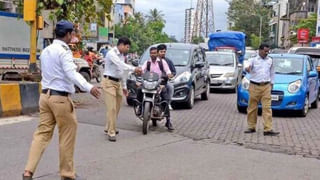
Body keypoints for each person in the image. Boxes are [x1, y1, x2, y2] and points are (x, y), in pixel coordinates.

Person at [22, 20, 101, 180]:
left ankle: (28, 171)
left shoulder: (46, 51)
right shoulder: (64, 51)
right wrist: (89, 87)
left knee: (42, 134)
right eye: (72, 33)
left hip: (45, 96)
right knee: (66, 135)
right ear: (67, 34)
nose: (73, 36)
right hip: (60, 99)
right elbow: (71, 74)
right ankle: (67, 174)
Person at [102, 37, 142, 142]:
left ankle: (109, 126)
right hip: (108, 82)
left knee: (117, 107)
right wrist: (134, 69)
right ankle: (111, 132)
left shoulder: (122, 56)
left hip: (118, 83)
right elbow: (120, 65)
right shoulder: (111, 54)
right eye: (127, 47)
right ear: (121, 45)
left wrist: (124, 87)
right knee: (112, 108)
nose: (128, 49)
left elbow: (122, 72)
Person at [244, 44, 279, 136]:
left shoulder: (270, 60)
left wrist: (272, 83)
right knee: (252, 107)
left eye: (268, 51)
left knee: (267, 108)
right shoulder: (253, 60)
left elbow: (272, 73)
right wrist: (247, 68)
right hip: (254, 85)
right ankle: (251, 127)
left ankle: (268, 129)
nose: (266, 53)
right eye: (265, 51)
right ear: (260, 50)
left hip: (266, 86)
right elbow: (247, 65)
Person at [136, 47, 174, 131]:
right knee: (139, 90)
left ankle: (168, 121)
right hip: (148, 83)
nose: (153, 54)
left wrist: (169, 75)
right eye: (151, 53)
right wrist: (138, 72)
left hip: (159, 84)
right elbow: (142, 70)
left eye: (154, 53)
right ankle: (140, 107)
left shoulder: (162, 62)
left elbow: (168, 71)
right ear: (150, 54)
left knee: (165, 99)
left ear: (157, 54)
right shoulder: (147, 62)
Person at [157, 44, 176, 110]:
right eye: (161, 51)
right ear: (157, 52)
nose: (163, 53)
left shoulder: (168, 61)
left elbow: (173, 71)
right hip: (154, 81)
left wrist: (170, 75)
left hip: (165, 81)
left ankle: (168, 103)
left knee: (170, 87)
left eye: (164, 51)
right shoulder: (152, 61)